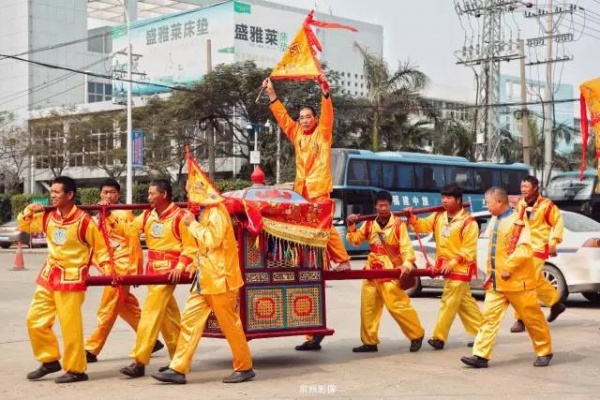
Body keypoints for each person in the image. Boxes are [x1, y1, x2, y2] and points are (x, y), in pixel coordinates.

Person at [263, 74, 351, 352]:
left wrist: (325, 92)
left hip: (318, 190)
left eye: (306, 116)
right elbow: (281, 118)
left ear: (315, 119)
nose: (302, 120)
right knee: (307, 236)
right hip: (301, 192)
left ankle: (343, 259)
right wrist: (272, 94)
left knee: (323, 228)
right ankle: (312, 260)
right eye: (300, 116)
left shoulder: (323, 133)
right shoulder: (297, 134)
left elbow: (328, 115)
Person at [18, 176, 115, 383]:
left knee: (70, 327)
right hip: (48, 276)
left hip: (71, 280)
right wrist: (28, 210)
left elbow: (100, 249)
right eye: (51, 192)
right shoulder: (48, 216)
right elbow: (26, 226)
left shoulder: (83, 221)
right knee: (34, 320)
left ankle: (76, 369)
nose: (52, 196)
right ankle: (49, 359)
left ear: (69, 195)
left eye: (56, 192)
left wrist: (108, 269)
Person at [151, 202, 255, 384]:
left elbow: (212, 241)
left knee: (230, 326)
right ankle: (178, 368)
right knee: (189, 322)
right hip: (204, 279)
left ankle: (244, 367)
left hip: (220, 279)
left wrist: (192, 224)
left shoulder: (217, 212)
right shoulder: (205, 212)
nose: (189, 198)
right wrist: (195, 263)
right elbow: (204, 248)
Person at [461, 187, 553, 368]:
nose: (486, 206)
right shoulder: (495, 221)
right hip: (497, 283)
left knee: (532, 319)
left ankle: (544, 351)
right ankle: (481, 355)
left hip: (518, 283)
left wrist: (509, 267)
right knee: (489, 318)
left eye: (488, 202)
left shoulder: (518, 222)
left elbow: (525, 248)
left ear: (499, 202)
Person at [119, 179, 197, 378]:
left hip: (167, 271)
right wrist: (108, 219)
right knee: (168, 318)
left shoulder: (179, 216)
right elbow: (129, 230)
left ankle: (139, 360)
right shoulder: (148, 215)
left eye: (152, 193)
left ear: (163, 194)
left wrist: (180, 267)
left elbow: (190, 247)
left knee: (150, 314)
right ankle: (180, 359)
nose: (148, 197)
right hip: (152, 270)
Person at [84, 179, 164, 363]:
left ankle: (91, 348)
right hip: (110, 267)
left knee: (108, 308)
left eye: (112, 192)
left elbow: (132, 240)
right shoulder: (101, 214)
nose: (108, 196)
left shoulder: (123, 213)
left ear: (118, 195)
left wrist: (135, 268)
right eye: (105, 192)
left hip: (122, 268)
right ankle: (150, 341)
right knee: (126, 307)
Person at [346, 190, 425, 353]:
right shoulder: (368, 224)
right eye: (380, 205)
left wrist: (407, 265)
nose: (383, 208)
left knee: (397, 305)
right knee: (368, 306)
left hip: (390, 270)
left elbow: (406, 248)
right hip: (371, 270)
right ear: (375, 206)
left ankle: (416, 334)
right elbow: (355, 240)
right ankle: (369, 341)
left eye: (386, 205)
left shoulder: (398, 225)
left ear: (390, 206)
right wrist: (351, 225)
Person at [406, 183, 483, 350]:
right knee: (465, 303)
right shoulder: (438, 216)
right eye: (443, 198)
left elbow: (468, 250)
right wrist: (412, 217)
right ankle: (483, 333)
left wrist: (452, 263)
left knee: (448, 301)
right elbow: (423, 226)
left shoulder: (469, 222)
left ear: (458, 200)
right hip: (445, 266)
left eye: (448, 198)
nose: (445, 201)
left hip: (460, 268)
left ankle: (439, 338)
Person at [510, 175, 566, 333]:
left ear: (535, 188)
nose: (523, 190)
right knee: (536, 281)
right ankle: (556, 304)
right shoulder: (520, 204)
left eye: (526, 187)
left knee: (526, 283)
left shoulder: (547, 205)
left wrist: (554, 242)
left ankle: (521, 319)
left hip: (538, 247)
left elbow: (558, 222)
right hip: (522, 247)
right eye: (522, 187)